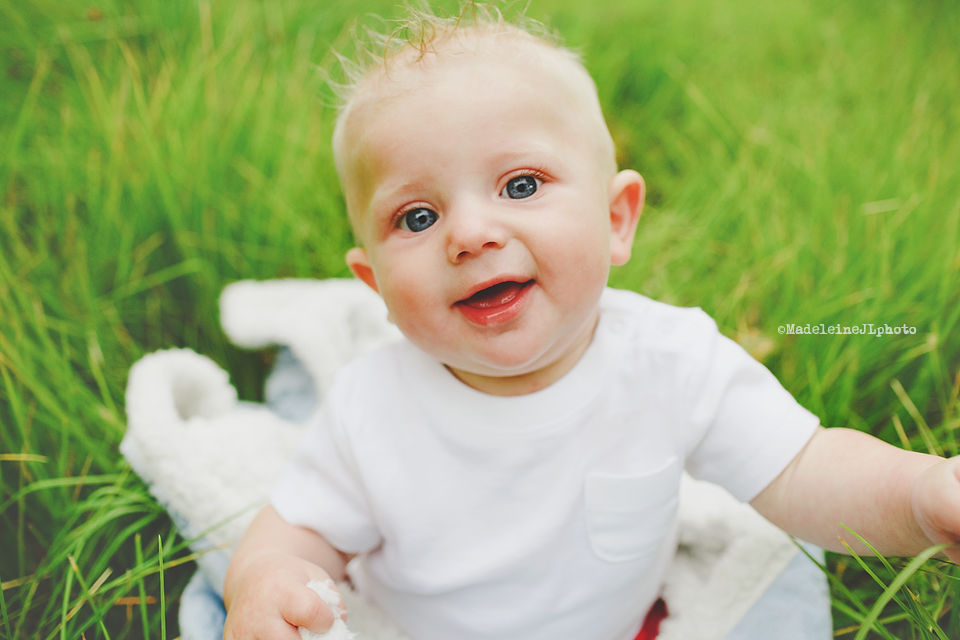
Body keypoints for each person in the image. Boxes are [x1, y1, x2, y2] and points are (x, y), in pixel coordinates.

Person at [221, 6, 960, 640]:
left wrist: (922, 495)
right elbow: (299, 535)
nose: (470, 234)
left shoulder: (673, 362)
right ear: (374, 284)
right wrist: (266, 581)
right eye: (418, 216)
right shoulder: (370, 407)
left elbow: (802, 469)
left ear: (616, 219)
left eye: (520, 184)